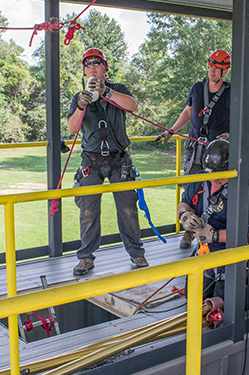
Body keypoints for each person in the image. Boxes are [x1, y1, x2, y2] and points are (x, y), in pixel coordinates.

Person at [68, 48, 148, 276]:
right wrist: (82, 106)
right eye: (88, 64)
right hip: (91, 161)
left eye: (96, 63)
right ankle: (86, 257)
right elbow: (73, 129)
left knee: (127, 209)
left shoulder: (118, 90)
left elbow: (132, 106)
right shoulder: (79, 97)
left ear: (105, 68)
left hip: (119, 159)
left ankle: (136, 252)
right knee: (88, 211)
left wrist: (107, 92)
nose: (92, 67)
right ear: (84, 71)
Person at [177, 139, 249, 307]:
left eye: (219, 178)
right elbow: (185, 203)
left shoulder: (244, 195)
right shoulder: (200, 179)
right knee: (194, 298)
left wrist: (214, 236)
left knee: (228, 303)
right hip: (204, 252)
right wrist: (184, 215)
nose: (214, 181)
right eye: (212, 175)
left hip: (230, 253)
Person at [155, 49, 231, 250]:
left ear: (225, 71)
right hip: (196, 147)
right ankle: (189, 232)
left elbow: (240, 119)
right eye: (210, 67)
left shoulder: (231, 93)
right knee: (191, 187)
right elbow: (188, 111)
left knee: (218, 188)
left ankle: (214, 230)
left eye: (217, 68)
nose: (212, 71)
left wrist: (230, 135)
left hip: (218, 150)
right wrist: (171, 131)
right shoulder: (198, 88)